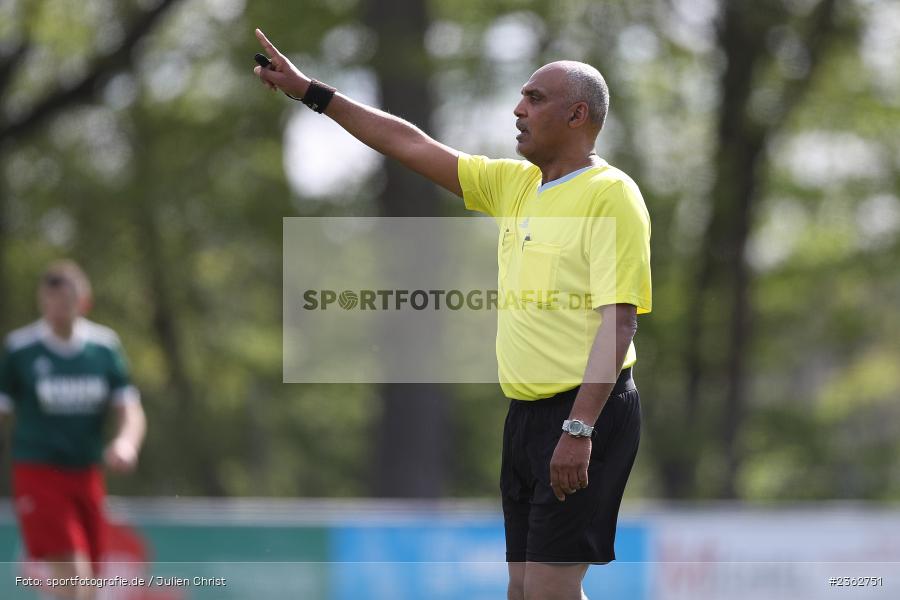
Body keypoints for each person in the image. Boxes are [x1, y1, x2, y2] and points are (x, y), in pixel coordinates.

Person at [253, 28, 651, 600]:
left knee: (548, 590)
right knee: (523, 590)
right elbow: (408, 144)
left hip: (586, 413)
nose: (518, 109)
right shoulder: (516, 185)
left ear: (577, 115)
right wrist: (313, 93)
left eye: (535, 99)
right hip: (527, 416)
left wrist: (579, 428)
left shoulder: (611, 194)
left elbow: (620, 320)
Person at [0, 260, 147, 599]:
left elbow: (129, 408)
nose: (55, 312)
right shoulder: (21, 349)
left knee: (91, 583)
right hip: (38, 472)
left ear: (83, 302)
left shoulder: (103, 348)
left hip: (86, 473)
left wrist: (126, 442)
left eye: (64, 304)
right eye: (48, 303)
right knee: (72, 572)